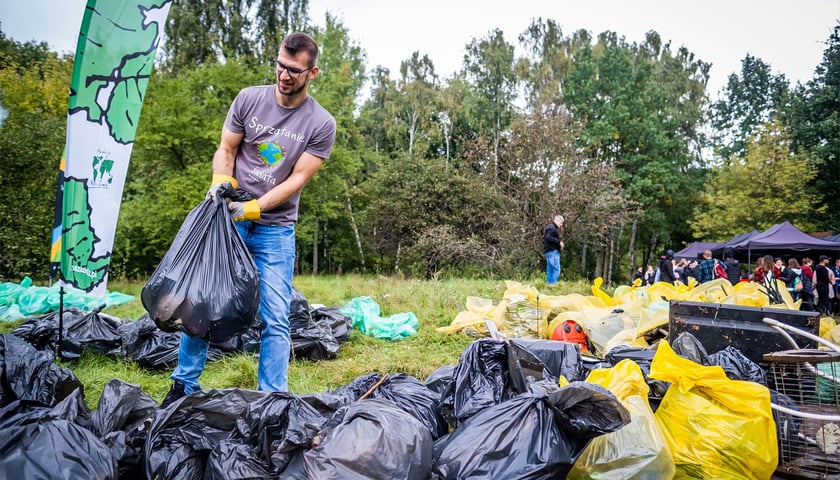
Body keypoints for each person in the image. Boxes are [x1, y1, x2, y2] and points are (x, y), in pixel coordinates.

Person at [161, 32, 337, 407]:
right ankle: (183, 385)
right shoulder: (248, 99)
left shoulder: (321, 123)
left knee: (275, 317)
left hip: (276, 230)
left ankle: (271, 400)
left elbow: (297, 178)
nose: (284, 75)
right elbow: (226, 149)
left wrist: (254, 207)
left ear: (313, 72)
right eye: (280, 65)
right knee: (202, 302)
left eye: (294, 70)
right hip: (230, 224)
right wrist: (220, 183)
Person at [543, 215, 565, 286]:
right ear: (557, 220)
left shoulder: (549, 227)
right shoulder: (552, 228)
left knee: (550, 269)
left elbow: (548, 238)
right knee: (556, 269)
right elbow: (548, 237)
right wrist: (559, 242)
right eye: (561, 223)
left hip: (548, 252)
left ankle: (548, 284)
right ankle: (553, 285)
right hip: (553, 252)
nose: (561, 225)